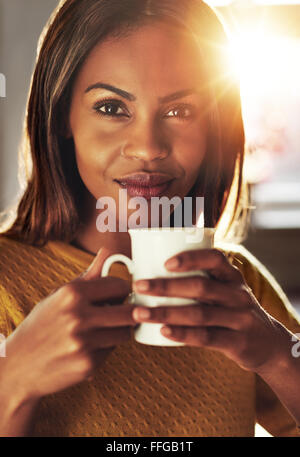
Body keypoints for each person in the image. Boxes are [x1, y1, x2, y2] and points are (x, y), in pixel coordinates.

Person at [0, 0, 300, 438]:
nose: (147, 147)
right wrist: (14, 379)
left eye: (180, 111)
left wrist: (278, 354)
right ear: (62, 115)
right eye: (110, 108)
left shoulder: (236, 284)